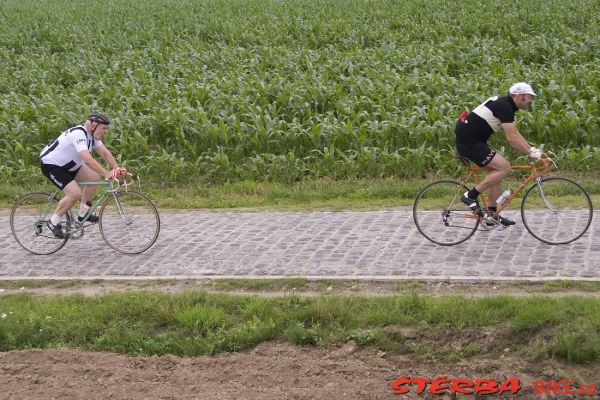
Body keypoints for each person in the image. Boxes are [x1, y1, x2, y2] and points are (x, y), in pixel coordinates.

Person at [455, 82, 542, 226]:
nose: (531, 100)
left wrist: (531, 149)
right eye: (529, 97)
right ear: (519, 96)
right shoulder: (505, 107)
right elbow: (511, 139)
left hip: (474, 139)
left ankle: (492, 215)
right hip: (469, 141)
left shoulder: (507, 105)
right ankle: (470, 196)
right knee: (504, 168)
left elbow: (515, 133)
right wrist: (529, 153)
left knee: (496, 173)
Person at [39, 113, 127, 238]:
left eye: (107, 129)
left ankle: (82, 214)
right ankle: (53, 221)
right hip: (52, 164)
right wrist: (107, 174)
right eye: (104, 128)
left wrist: (116, 168)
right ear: (93, 126)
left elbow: (104, 152)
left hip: (70, 165)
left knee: (94, 179)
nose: (105, 132)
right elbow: (87, 160)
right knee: (74, 194)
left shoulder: (92, 136)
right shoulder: (79, 135)